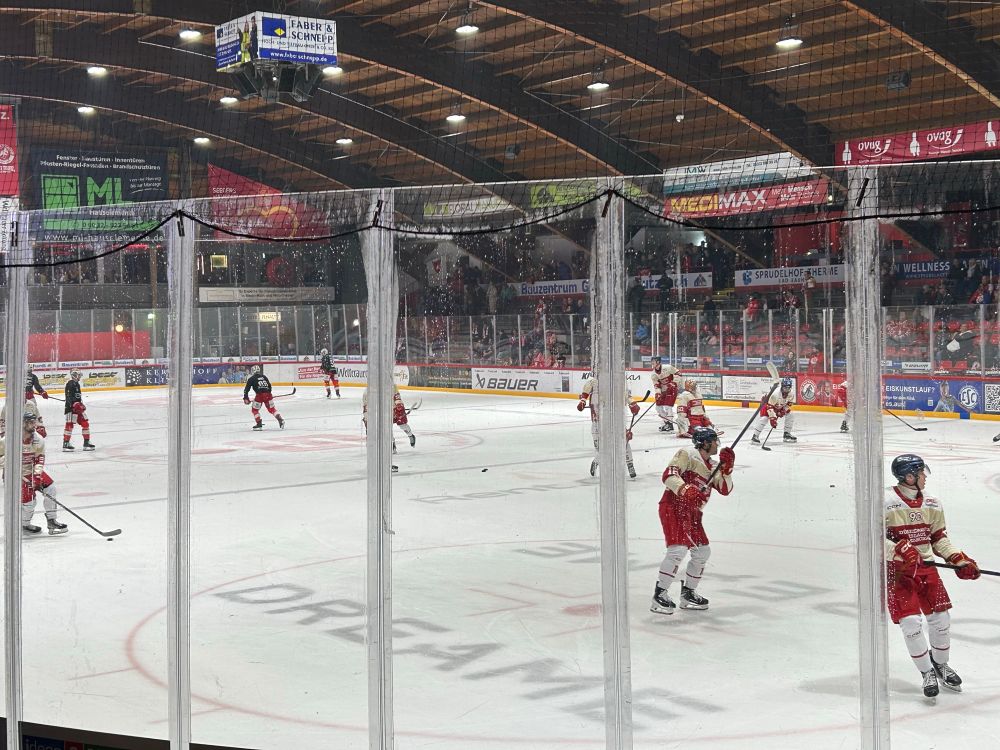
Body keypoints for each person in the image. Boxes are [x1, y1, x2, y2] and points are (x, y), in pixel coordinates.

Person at [885, 454, 979, 699]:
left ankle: (941, 664)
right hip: (899, 572)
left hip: (927, 570)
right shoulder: (884, 501)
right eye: (921, 473)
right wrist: (897, 550)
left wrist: (959, 559)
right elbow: (873, 537)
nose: (925, 477)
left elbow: (938, 538)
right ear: (909, 476)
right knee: (911, 624)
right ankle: (926, 671)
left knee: (941, 620)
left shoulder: (933, 502)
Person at [651, 426, 734, 615]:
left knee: (702, 552)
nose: (716, 444)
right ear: (704, 442)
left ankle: (688, 593)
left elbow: (725, 489)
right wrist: (685, 489)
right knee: (678, 550)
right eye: (714, 440)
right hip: (673, 507)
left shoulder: (713, 465)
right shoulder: (687, 453)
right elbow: (669, 475)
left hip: (693, 513)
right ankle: (659, 594)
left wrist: (727, 470)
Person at [0, 413, 67, 535]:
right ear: (23, 423)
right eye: (30, 422)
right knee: (30, 501)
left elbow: (39, 458)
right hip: (16, 475)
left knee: (50, 488)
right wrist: (9, 465)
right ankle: (24, 524)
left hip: (31, 471)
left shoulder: (38, 439)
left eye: (34, 422)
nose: (33, 425)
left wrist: (36, 476)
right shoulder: (10, 439)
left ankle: (52, 521)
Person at [577, 374, 639, 479]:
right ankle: (596, 461)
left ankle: (630, 465)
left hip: (616, 420)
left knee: (625, 441)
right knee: (602, 448)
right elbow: (585, 391)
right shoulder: (594, 381)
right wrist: (583, 400)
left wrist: (633, 404)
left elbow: (626, 395)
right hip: (598, 422)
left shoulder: (617, 382)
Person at [363, 385, 415, 450]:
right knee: (386, 427)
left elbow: (397, 397)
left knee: (402, 424)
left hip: (394, 408)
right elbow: (366, 408)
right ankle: (392, 444)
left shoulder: (391, 385)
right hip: (383, 412)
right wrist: (367, 419)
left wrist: (399, 406)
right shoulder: (367, 392)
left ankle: (410, 435)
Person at [751, 378, 798, 444]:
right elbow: (770, 407)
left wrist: (783, 411)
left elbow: (788, 404)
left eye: (788, 388)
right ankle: (755, 436)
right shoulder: (775, 394)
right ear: (782, 386)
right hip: (767, 404)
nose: (787, 390)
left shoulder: (791, 394)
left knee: (790, 414)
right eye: (785, 388)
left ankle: (786, 434)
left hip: (778, 404)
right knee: (764, 419)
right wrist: (773, 419)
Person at [243, 364, 285, 431]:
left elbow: (246, 389)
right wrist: (268, 395)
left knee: (255, 410)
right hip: (268, 394)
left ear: (252, 371)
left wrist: (246, 398)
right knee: (272, 409)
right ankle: (280, 419)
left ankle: (259, 423)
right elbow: (270, 387)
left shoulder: (251, 379)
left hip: (259, 396)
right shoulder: (264, 377)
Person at [63, 369, 95, 451]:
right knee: (69, 425)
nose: (80, 376)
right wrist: (72, 404)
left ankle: (86, 442)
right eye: (79, 375)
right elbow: (68, 396)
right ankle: (66, 443)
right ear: (74, 375)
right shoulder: (70, 384)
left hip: (78, 409)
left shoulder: (77, 384)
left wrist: (80, 404)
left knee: (85, 423)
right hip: (71, 409)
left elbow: (77, 397)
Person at [650, 356, 680, 433]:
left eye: (654, 361)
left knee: (667, 406)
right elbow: (657, 385)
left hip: (672, 389)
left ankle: (670, 425)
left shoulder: (668, 367)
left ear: (658, 362)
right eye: (652, 361)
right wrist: (658, 393)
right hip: (663, 391)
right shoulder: (653, 374)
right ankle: (667, 422)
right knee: (658, 408)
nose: (652, 362)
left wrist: (674, 383)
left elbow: (678, 373)